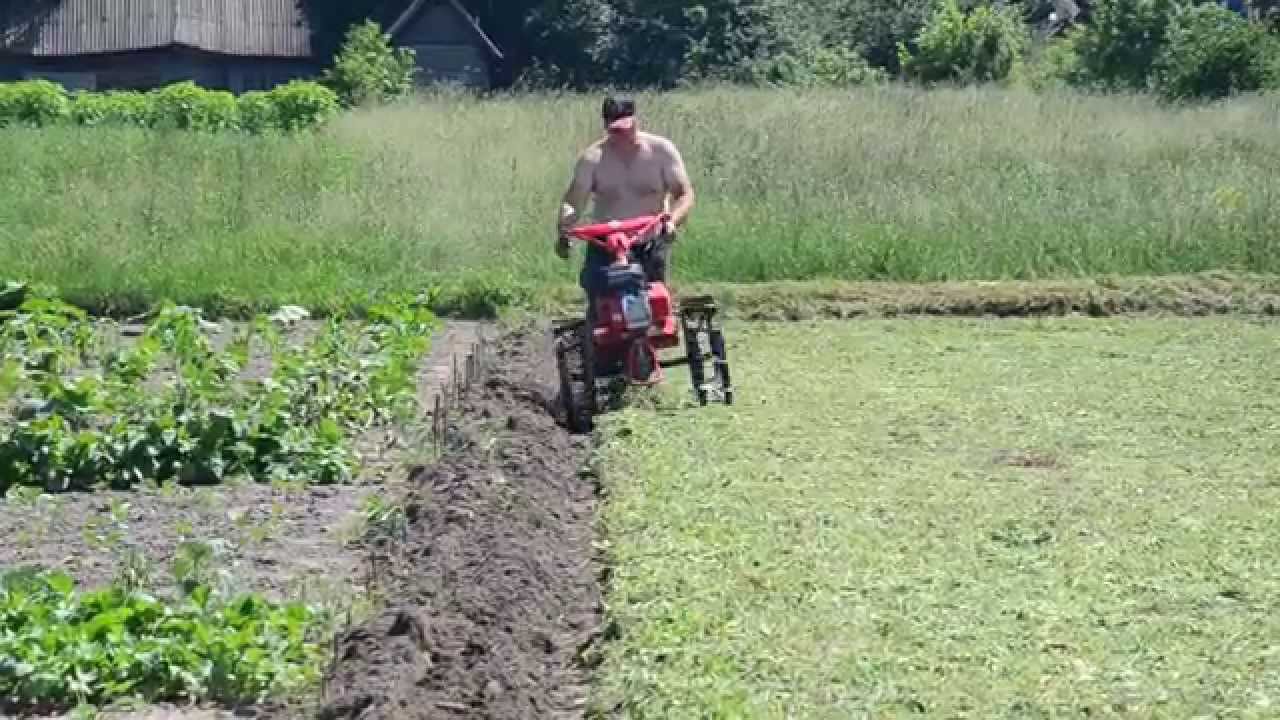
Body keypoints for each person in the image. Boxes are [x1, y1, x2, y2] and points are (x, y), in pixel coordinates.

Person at [556, 96, 695, 297]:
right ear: (605, 126)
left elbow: (685, 194)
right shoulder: (592, 159)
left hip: (649, 240)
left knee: (656, 304)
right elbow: (572, 202)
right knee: (602, 311)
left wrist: (672, 221)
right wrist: (564, 226)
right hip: (606, 245)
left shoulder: (661, 152)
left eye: (625, 128)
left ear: (635, 121)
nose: (620, 135)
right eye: (614, 130)